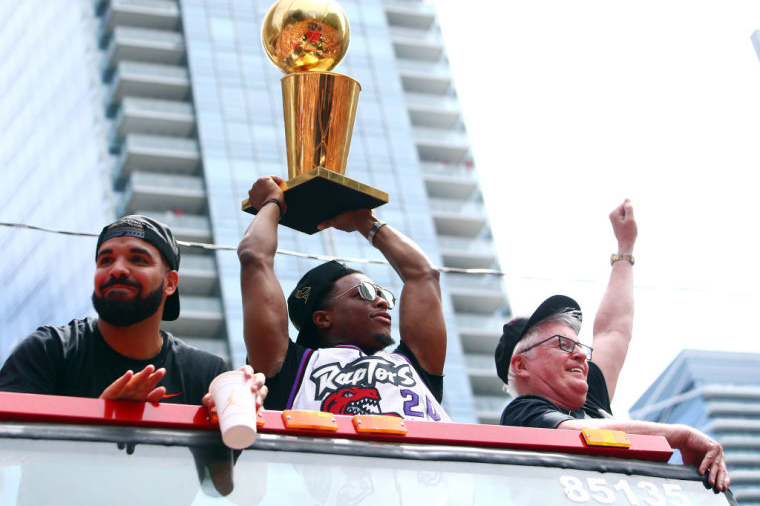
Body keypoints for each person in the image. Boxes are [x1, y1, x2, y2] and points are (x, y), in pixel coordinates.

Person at [494, 202, 730, 492]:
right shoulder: (523, 413)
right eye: (564, 345)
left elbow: (613, 330)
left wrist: (625, 247)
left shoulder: (589, 399)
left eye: (580, 345)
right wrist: (679, 436)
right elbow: (575, 434)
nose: (581, 353)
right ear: (521, 364)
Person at [238, 176, 450, 421]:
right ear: (322, 318)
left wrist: (365, 221)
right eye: (365, 293)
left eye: (383, 295)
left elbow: (424, 274)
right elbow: (255, 258)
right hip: (344, 460)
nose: (381, 302)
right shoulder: (289, 369)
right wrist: (272, 202)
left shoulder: (415, 364)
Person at [0, 214, 266, 410]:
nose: (116, 269)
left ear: (170, 282)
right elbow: (8, 455)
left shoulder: (204, 373)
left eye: (138, 259)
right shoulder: (50, 349)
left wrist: (243, 420)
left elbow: (225, 484)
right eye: (105, 260)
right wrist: (101, 416)